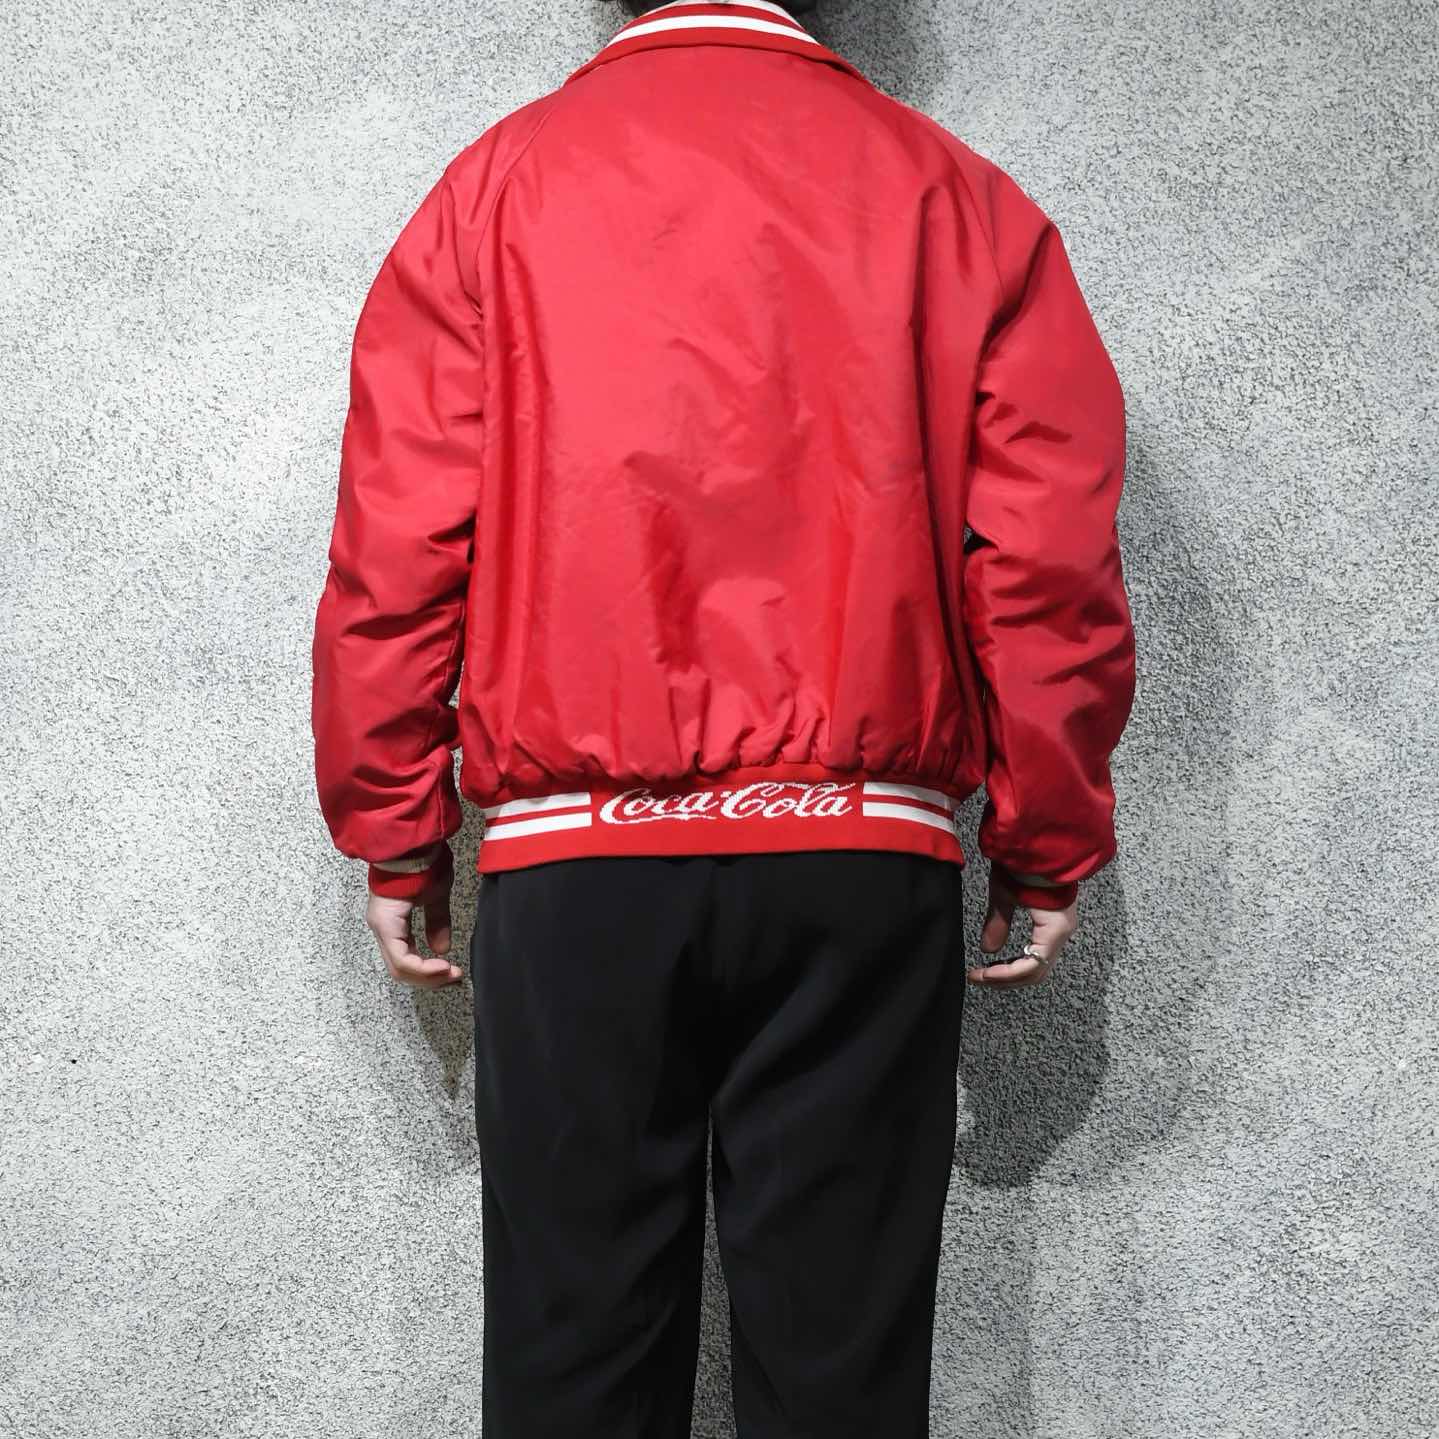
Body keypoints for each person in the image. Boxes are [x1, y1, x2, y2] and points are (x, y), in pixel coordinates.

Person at [310, 0, 1136, 1432]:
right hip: (858, 864)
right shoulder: (957, 200)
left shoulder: (494, 193)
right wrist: (1046, 837)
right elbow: (1049, 561)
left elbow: (397, 549)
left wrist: (397, 831)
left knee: (571, 1373)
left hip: (576, 870)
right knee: (840, 1386)